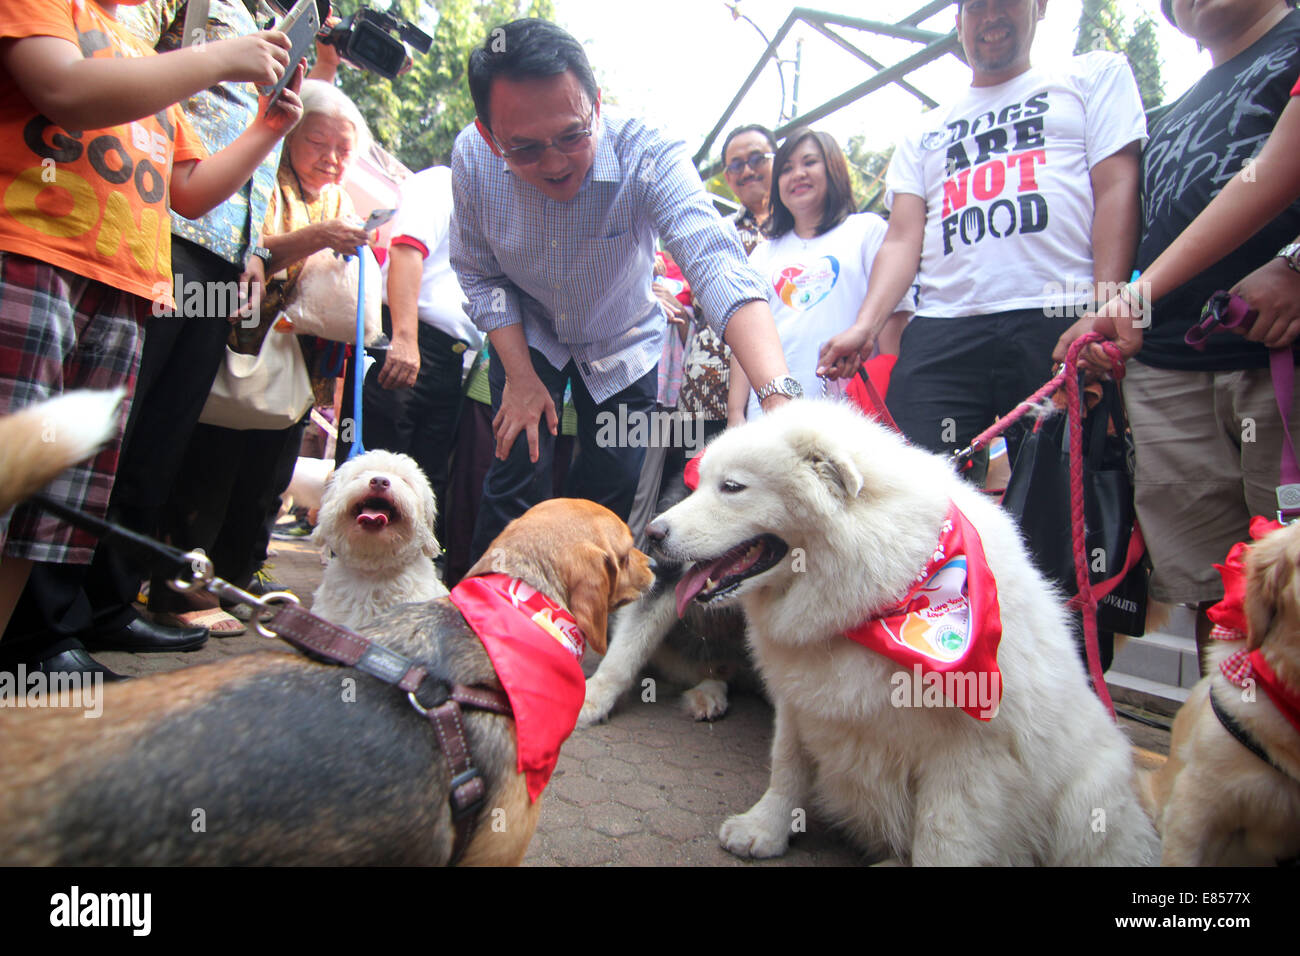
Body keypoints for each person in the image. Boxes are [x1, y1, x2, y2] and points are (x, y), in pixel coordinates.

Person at [0, 0, 299, 673]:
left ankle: (15, 664)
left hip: (125, 284)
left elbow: (190, 190)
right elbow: (65, 92)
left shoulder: (144, 52)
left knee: (47, 511)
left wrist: (266, 127)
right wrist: (224, 57)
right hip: (30, 256)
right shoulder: (51, 9)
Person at [450, 18, 796, 563]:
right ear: (490, 134)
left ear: (596, 103)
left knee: (608, 488)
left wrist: (781, 400)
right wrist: (519, 376)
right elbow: (478, 274)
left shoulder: (648, 153)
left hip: (623, 341)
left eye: (572, 135)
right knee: (516, 471)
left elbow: (715, 261)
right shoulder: (472, 158)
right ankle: (488, 620)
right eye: (525, 150)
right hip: (529, 335)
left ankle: (579, 627)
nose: (556, 162)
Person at [1056, 0, 1300, 664]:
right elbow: (1144, 238)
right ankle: (1230, 750)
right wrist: (1112, 322)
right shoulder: (1168, 116)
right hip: (1169, 370)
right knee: (1218, 593)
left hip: (1275, 354)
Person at [816, 0, 1146, 482]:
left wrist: (1106, 306)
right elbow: (902, 238)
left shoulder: (1093, 76)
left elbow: (1117, 187)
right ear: (958, 22)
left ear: (1039, 7)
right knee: (913, 492)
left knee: (1066, 493)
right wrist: (866, 326)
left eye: (1005, 1)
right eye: (975, 6)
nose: (990, 15)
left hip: (1058, 316)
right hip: (942, 328)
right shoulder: (924, 129)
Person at [156, 79, 373, 625]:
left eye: (343, 151)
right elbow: (249, 252)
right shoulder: (259, 179)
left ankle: (239, 577)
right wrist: (320, 236)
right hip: (233, 352)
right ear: (290, 135)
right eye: (318, 143)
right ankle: (182, 590)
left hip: (295, 368)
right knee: (210, 468)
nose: (331, 160)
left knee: (266, 479)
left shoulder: (340, 199)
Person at [728, 128, 912, 424]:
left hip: (852, 418)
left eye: (810, 162)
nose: (797, 174)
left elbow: (893, 320)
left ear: (833, 168)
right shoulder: (762, 255)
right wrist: (736, 412)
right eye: (786, 169)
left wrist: (896, 406)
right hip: (770, 421)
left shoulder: (867, 231)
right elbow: (744, 337)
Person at [360, 165, 483, 545]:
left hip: (451, 357)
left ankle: (405, 577)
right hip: (408, 335)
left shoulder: (494, 206)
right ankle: (351, 576)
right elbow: (406, 250)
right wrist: (404, 338)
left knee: (424, 479)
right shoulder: (443, 182)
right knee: (379, 471)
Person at [676, 124, 777, 429]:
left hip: (774, 390)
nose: (747, 170)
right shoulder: (716, 232)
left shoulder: (799, 235)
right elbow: (696, 316)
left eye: (757, 158)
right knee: (693, 474)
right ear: (728, 177)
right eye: (736, 165)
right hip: (703, 392)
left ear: (777, 160)